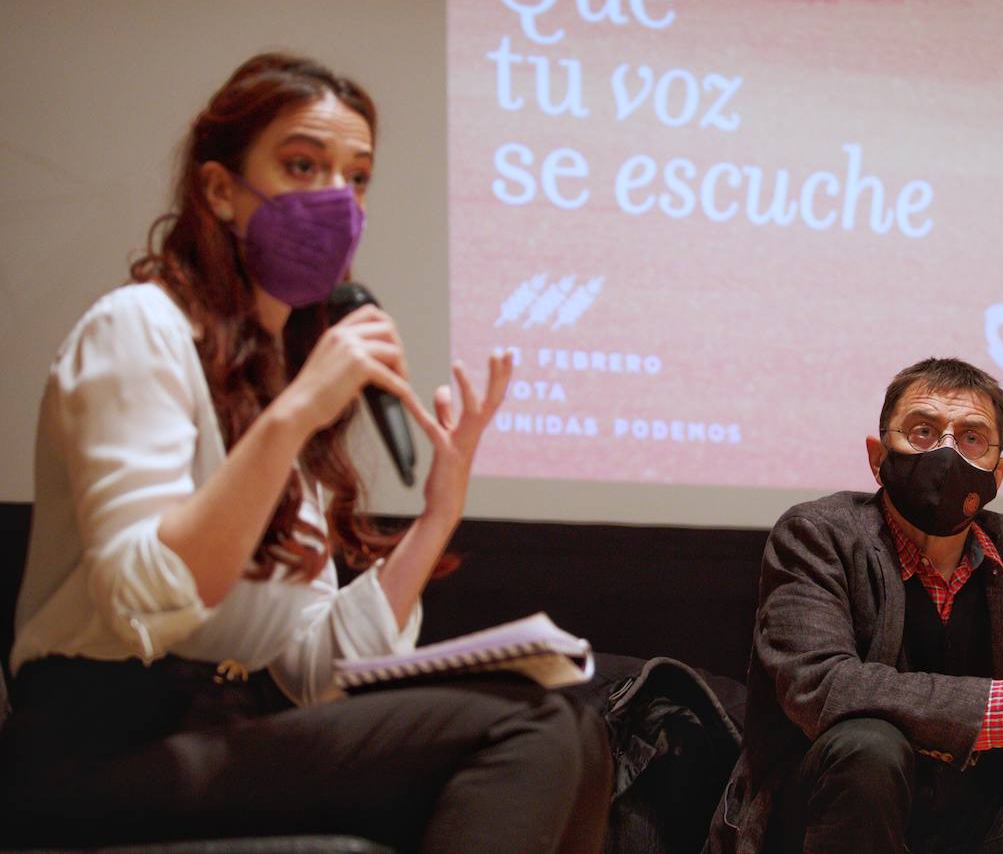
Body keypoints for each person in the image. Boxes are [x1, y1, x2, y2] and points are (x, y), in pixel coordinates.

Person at [0, 53, 611, 852]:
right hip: (93, 750)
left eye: (356, 178)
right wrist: (290, 417)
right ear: (220, 190)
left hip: (223, 729)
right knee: (526, 727)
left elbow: (313, 668)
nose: (336, 200)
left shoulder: (280, 376)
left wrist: (438, 515)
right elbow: (140, 601)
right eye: (301, 165)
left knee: (576, 720)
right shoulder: (139, 330)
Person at [708, 358, 1003, 853]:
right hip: (822, 813)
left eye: (972, 438)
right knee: (870, 744)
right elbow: (821, 686)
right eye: (922, 431)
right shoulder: (817, 534)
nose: (947, 453)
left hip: (974, 823)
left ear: (998, 471)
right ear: (878, 456)